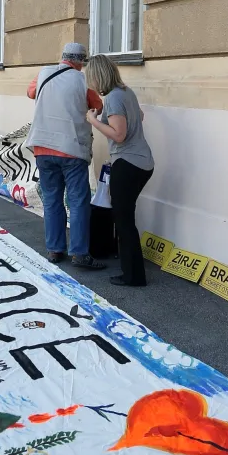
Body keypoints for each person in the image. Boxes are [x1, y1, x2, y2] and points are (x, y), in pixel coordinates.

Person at [26, 43, 104, 270]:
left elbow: (31, 93)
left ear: (62, 57)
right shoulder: (82, 81)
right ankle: (79, 253)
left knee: (52, 200)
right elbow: (97, 105)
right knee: (78, 201)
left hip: (42, 147)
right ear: (81, 61)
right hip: (71, 149)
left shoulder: (43, 74)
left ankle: (54, 250)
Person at [86, 55, 154, 288]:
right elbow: (140, 116)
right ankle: (132, 272)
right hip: (141, 161)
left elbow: (119, 134)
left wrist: (93, 121)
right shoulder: (126, 92)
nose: (90, 82)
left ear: (98, 76)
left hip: (129, 163)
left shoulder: (114, 98)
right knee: (125, 218)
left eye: (91, 77)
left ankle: (133, 276)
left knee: (123, 220)